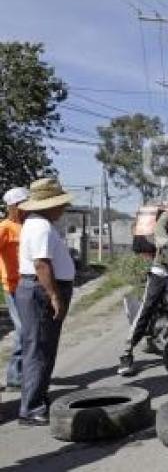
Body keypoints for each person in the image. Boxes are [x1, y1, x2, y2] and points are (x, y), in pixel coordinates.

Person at [16, 178, 75, 426]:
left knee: (43, 348)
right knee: (39, 349)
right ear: (48, 205)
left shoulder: (37, 223)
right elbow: (41, 264)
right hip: (41, 291)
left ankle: (37, 397)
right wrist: (54, 295)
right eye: (59, 204)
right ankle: (31, 408)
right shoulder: (40, 226)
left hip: (38, 290)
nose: (63, 209)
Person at [119, 207, 168, 376]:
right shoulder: (162, 225)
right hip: (159, 272)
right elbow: (157, 238)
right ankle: (127, 352)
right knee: (147, 309)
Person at [1, 187, 29, 392]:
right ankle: (14, 377)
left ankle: (25, 372)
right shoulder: (5, 227)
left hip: (30, 285)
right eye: (22, 204)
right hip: (12, 286)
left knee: (30, 331)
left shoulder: (28, 225)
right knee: (22, 330)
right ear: (13, 207)